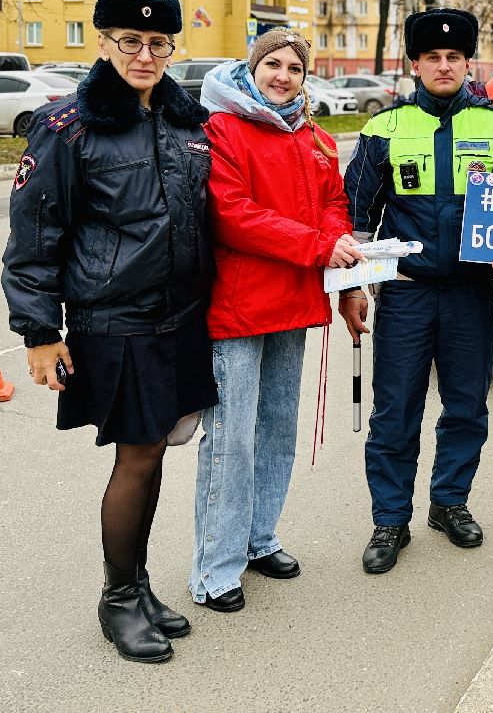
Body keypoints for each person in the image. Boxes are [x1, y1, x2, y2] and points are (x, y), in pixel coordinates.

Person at [3, 0, 215, 664]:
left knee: (153, 452)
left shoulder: (188, 123)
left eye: (158, 43)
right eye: (130, 41)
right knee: (137, 455)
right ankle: (118, 598)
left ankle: (139, 583)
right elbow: (35, 235)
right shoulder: (67, 126)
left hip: (179, 317)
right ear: (101, 43)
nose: (145, 54)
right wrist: (39, 332)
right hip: (114, 320)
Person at [341, 8, 493, 575]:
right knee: (395, 411)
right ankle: (390, 518)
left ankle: (449, 504)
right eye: (433, 58)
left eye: (454, 57)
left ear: (468, 62)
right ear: (415, 65)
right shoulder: (384, 129)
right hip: (405, 294)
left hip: (471, 293)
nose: (445, 66)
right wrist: (352, 290)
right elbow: (354, 219)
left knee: (467, 408)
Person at [189, 30, 364, 613]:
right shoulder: (223, 129)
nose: (283, 76)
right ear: (252, 68)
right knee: (230, 440)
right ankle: (215, 566)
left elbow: (334, 202)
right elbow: (232, 216)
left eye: (294, 68)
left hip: (294, 303)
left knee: (276, 430)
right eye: (273, 65)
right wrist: (320, 245)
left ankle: (259, 536)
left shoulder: (314, 138)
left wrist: (337, 237)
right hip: (238, 308)